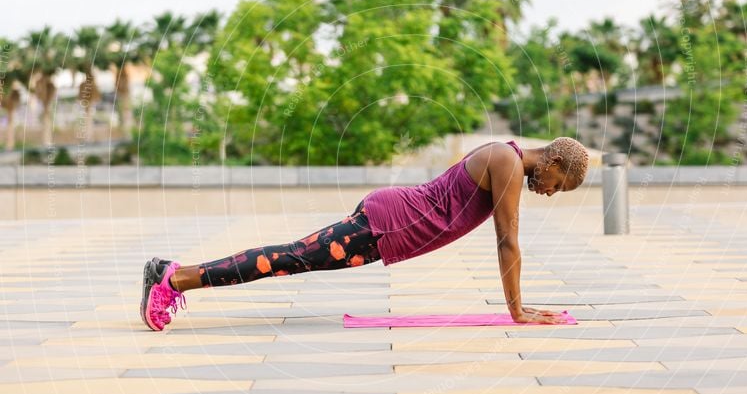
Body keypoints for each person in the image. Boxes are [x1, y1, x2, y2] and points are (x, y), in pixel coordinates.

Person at [140, 137, 589, 331]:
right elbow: (507, 241)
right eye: (559, 185)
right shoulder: (507, 163)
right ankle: (173, 279)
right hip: (387, 223)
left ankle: (170, 273)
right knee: (284, 259)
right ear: (553, 164)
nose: (550, 193)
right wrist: (516, 313)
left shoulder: (505, 159)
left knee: (287, 258)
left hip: (388, 225)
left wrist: (518, 305)